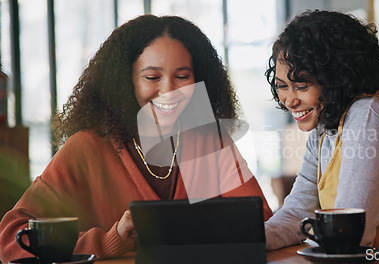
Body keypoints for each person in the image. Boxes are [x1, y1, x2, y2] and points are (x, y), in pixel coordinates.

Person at [0, 14, 272, 263]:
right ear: (124, 82)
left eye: (182, 76)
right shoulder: (87, 148)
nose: (169, 90)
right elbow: (9, 239)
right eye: (152, 76)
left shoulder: (208, 141)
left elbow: (259, 224)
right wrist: (107, 241)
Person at [264, 10, 379, 253]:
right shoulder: (324, 129)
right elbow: (295, 213)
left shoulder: (368, 117)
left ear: (335, 77)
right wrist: (248, 241)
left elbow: (347, 232)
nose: (289, 100)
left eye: (301, 85)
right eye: (283, 86)